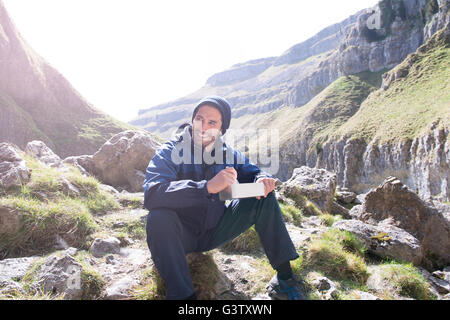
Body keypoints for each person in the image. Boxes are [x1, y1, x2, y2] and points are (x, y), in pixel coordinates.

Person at [143, 95, 305, 300]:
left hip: (215, 230)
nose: (203, 127)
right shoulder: (169, 151)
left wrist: (262, 179)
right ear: (192, 120)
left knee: (264, 196)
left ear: (221, 129)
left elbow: (252, 171)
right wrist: (207, 187)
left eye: (212, 122)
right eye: (199, 119)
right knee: (157, 217)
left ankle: (285, 278)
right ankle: (183, 296)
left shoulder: (227, 153)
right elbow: (152, 193)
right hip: (177, 236)